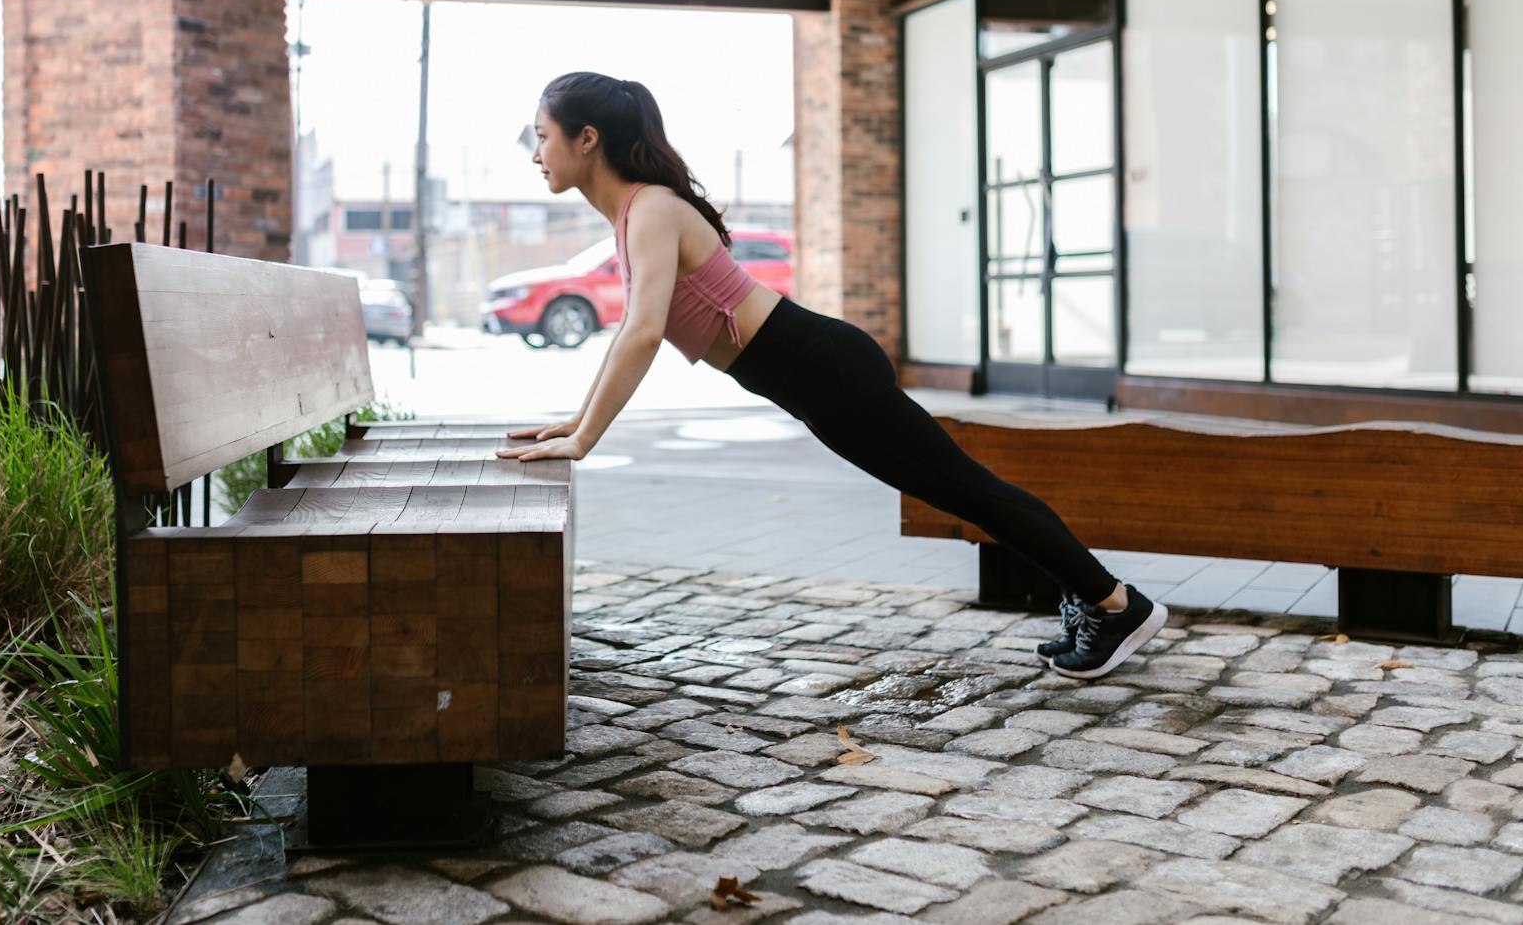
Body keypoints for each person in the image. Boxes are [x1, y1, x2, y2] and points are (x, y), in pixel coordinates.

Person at [493, 71, 1166, 680]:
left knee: (969, 490)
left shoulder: (651, 209)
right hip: (815, 379)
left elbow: (641, 331)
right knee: (962, 491)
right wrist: (577, 422)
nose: (535, 152)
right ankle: (1095, 597)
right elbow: (631, 333)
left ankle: (1116, 602)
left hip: (825, 368)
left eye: (543, 136)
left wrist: (587, 439)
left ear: (586, 139)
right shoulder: (636, 213)